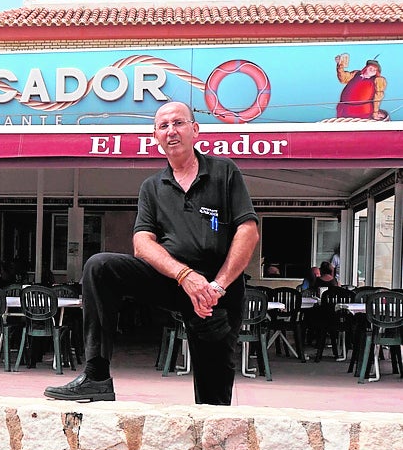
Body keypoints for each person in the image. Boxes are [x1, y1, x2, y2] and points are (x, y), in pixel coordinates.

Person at [44, 101, 259, 405]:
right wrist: (184, 275)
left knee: (214, 401)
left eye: (179, 123)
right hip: (173, 281)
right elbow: (142, 243)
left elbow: (248, 231)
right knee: (100, 267)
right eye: (163, 126)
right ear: (156, 137)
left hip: (217, 294)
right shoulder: (152, 187)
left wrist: (218, 285)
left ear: (195, 130)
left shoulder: (225, 172)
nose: (172, 131)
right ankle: (96, 376)